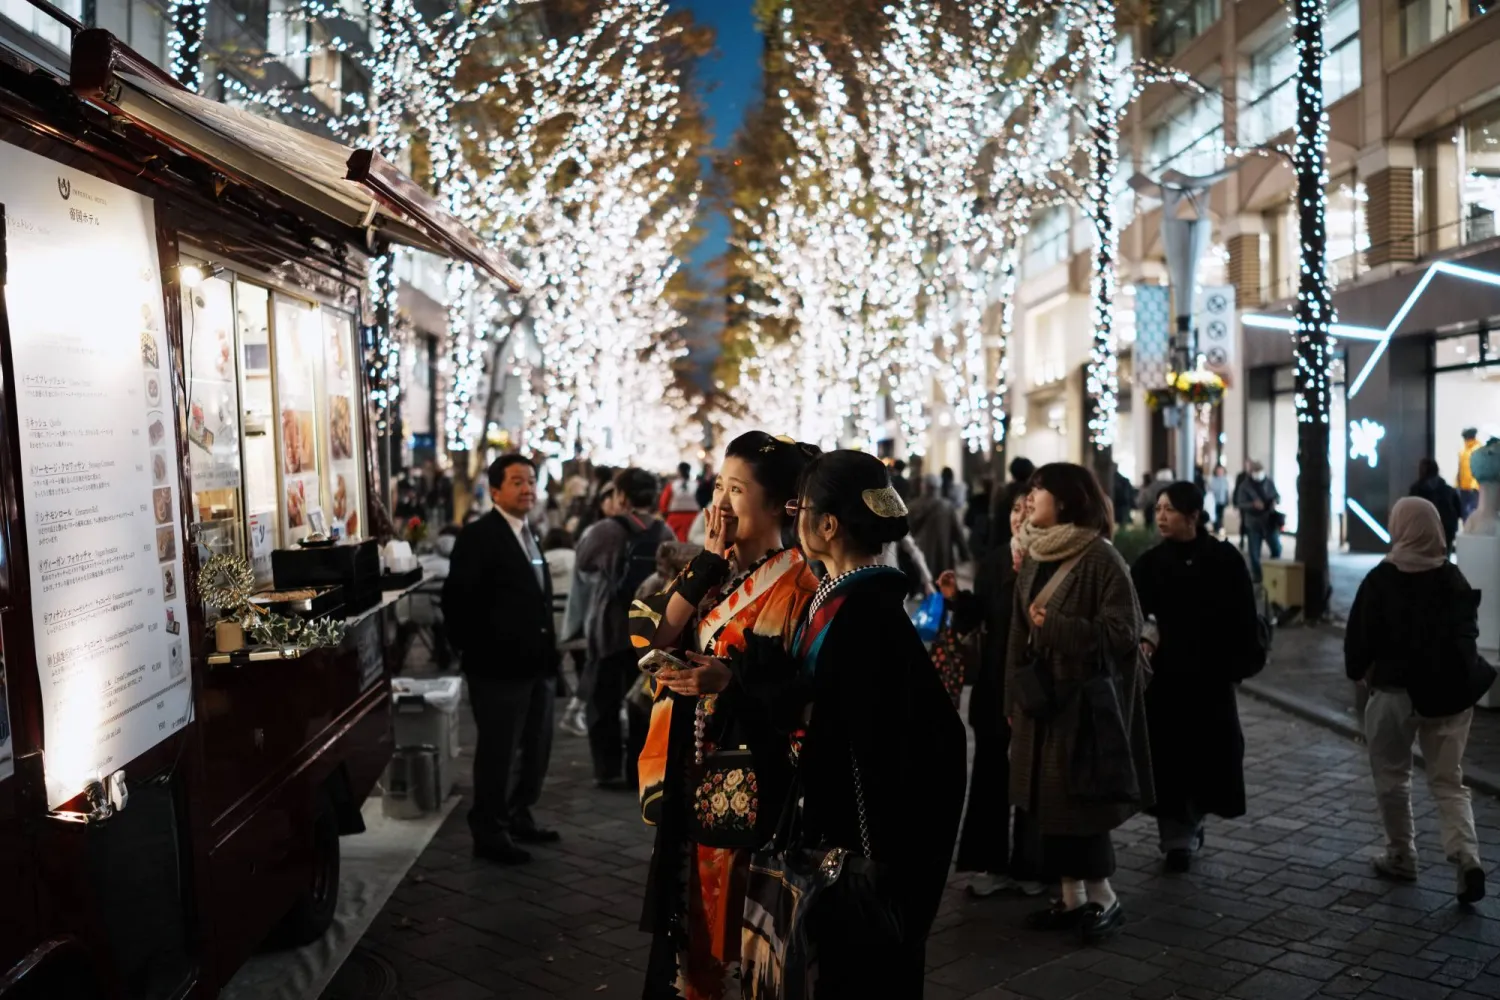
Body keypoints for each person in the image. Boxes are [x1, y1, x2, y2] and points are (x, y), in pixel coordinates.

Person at [635, 432, 821, 1000]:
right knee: (692, 929)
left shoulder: (799, 582)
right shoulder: (711, 572)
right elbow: (652, 633)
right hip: (692, 777)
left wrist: (733, 680)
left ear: (781, 506)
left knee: (744, 934)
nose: (719, 502)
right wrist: (707, 562)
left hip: (754, 785)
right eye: (718, 484)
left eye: (736, 489)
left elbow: (807, 691)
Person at [784, 450, 966, 992]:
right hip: (863, 836)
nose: (796, 518)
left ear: (829, 524)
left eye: (802, 507)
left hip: (861, 848)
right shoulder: (858, 599)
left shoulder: (863, 614)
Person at [1006, 463, 1151, 943]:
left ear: (1065, 500)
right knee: (1047, 804)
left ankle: (1103, 896)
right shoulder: (1032, 553)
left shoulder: (1101, 558)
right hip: (1040, 701)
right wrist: (1013, 696)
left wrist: (1060, 628)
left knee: (1079, 804)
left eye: (1039, 490)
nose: (1030, 499)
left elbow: (1124, 632)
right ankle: (1071, 898)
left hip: (1081, 705)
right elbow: (1018, 632)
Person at [1345, 497, 1487, 905]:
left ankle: (1402, 855)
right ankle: (1467, 858)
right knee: (1448, 780)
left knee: (1392, 777)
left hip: (1394, 695)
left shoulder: (1381, 579)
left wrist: (1359, 671)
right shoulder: (1453, 579)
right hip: (1450, 697)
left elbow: (1358, 642)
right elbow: (1468, 635)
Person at [1132, 483, 1263, 873]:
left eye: (1169, 510)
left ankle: (1191, 823)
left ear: (1192, 515)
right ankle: (1176, 838)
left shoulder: (1224, 559)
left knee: (1207, 758)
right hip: (1165, 682)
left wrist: (1235, 664)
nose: (1160, 517)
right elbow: (1134, 614)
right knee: (1168, 759)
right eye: (1158, 509)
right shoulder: (1150, 563)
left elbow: (1243, 616)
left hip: (1210, 680)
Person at [442, 454, 560, 865]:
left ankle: (518, 813)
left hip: (536, 664)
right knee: (498, 752)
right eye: (517, 482)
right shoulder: (479, 536)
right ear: (495, 491)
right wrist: (475, 652)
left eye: (531, 481)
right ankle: (489, 830)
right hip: (496, 670)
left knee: (535, 746)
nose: (527, 489)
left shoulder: (529, 533)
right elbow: (456, 604)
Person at [939, 490, 1044, 898]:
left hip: (1033, 684)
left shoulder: (1052, 558)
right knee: (989, 771)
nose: (1021, 516)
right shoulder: (997, 558)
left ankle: (1034, 865)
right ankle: (990, 863)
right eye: (1017, 508)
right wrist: (956, 601)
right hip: (992, 683)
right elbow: (980, 615)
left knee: (1033, 774)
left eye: (1030, 509)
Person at [575, 468, 675, 790]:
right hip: (649, 629)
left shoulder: (606, 530)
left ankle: (606, 769)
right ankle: (638, 770)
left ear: (621, 496)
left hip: (610, 627)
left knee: (603, 700)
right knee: (641, 702)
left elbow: (584, 561)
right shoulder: (665, 532)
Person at [908, 473, 971, 577]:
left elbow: (906, 533)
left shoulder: (912, 507)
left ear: (923, 486)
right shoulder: (947, 507)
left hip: (919, 555)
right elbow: (957, 533)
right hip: (943, 555)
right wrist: (964, 554)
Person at [1234, 461, 1282, 582]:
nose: (1258, 474)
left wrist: (1275, 501)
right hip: (1253, 522)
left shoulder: (1269, 482)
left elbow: (1277, 496)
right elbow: (1240, 503)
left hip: (1269, 521)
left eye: (1260, 471)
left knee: (1276, 548)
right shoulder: (1245, 485)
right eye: (1255, 471)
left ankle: (1272, 571)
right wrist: (1252, 505)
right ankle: (1258, 576)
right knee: (1254, 553)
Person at [1411, 458, 1463, 554]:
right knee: (1444, 559)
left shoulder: (1415, 491)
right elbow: (1459, 512)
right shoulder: (1449, 491)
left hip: (1423, 533)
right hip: (1446, 532)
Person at [993, 457, 1036, 553]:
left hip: (1003, 541)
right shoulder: (1033, 493)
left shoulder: (1003, 492)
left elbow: (996, 522)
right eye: (1016, 509)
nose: (1021, 517)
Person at [660, 461, 701, 542]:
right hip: (694, 518)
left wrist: (664, 513)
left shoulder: (671, 486)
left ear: (679, 472)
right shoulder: (697, 485)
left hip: (675, 518)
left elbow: (664, 502)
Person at [965, 475, 993, 557]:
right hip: (991, 543)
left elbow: (968, 520)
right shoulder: (998, 501)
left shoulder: (975, 500)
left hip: (978, 539)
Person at [1459, 428, 1482, 521]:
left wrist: (1474, 484)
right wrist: (1457, 484)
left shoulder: (1478, 449)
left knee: (1472, 509)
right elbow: (1460, 469)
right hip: (1463, 487)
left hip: (1473, 487)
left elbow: (1479, 468)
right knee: (1464, 511)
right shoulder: (1463, 451)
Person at [1207, 464, 1231, 534]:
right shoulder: (1212, 479)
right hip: (1214, 501)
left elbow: (1226, 491)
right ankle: (1216, 528)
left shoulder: (1225, 480)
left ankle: (1219, 527)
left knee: (1221, 515)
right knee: (1215, 515)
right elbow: (1210, 490)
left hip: (1222, 500)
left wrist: (1227, 499)